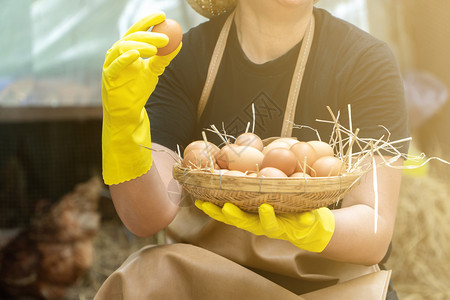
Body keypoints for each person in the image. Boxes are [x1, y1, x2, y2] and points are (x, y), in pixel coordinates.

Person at [97, 0, 409, 299]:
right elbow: (146, 217)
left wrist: (312, 226)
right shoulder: (185, 56)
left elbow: (374, 231)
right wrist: (123, 125)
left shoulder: (364, 61)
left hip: (324, 285)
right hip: (206, 278)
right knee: (140, 278)